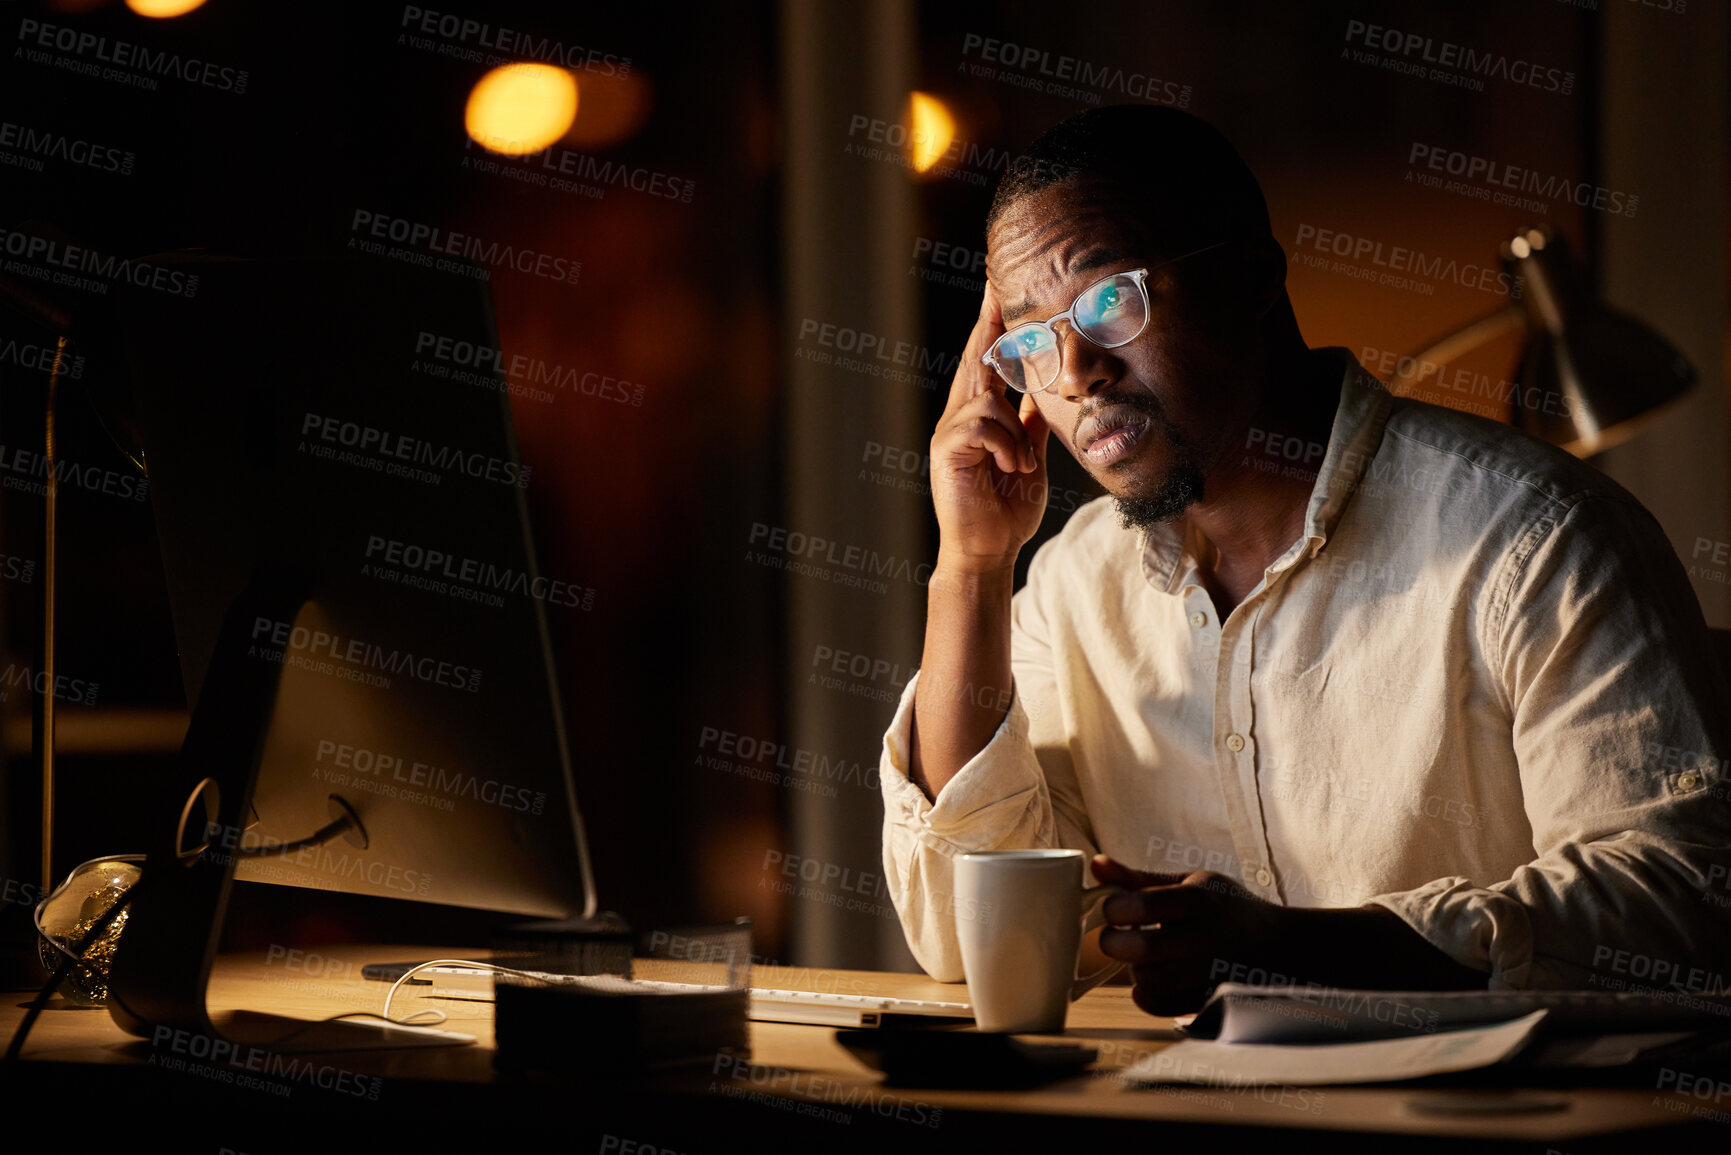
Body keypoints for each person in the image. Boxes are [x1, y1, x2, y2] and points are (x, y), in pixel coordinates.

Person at [877, 104, 1731, 1015]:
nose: (1076, 371)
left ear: (1249, 279)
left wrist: (1300, 951)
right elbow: (961, 932)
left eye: (1110, 300)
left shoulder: (1535, 536)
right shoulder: (1071, 586)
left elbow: (1681, 896)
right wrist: (969, 566)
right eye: (1030, 341)